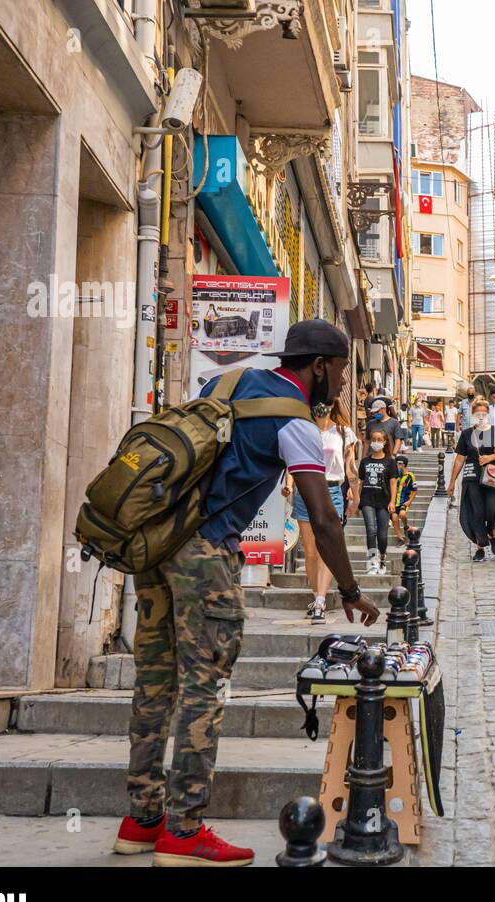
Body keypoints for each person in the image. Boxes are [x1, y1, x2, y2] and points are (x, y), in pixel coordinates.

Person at [117, 319, 378, 868]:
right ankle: (184, 831)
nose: (341, 383)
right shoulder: (296, 421)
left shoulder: (227, 384)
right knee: (203, 688)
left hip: (161, 544)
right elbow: (325, 520)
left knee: (155, 682)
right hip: (207, 552)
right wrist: (349, 590)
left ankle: (141, 821)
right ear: (319, 367)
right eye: (341, 371)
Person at [284, 398, 359, 623]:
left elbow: (351, 466)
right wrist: (288, 484)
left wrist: (355, 494)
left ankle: (320, 601)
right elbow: (293, 462)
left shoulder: (344, 433)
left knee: (326, 548)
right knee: (310, 552)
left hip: (332, 491)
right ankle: (316, 594)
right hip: (306, 491)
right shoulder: (302, 431)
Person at [447, 398, 495, 561]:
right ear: (473, 414)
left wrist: (492, 456)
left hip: (492, 477)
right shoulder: (467, 434)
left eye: (484, 413)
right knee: (477, 512)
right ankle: (480, 547)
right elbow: (460, 458)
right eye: (477, 413)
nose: (481, 416)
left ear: (488, 414)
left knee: (494, 510)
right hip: (471, 477)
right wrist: (452, 481)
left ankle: (492, 532)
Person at [358, 427, 399, 574]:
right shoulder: (364, 462)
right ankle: (372, 561)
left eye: (379, 440)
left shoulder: (390, 462)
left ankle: (382, 557)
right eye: (373, 440)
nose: (376, 442)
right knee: (371, 530)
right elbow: (361, 482)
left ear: (385, 442)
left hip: (384, 500)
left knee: (382, 534)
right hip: (367, 499)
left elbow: (393, 483)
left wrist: (393, 501)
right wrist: (357, 501)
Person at [390, 454, 417, 544]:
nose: (397, 466)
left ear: (404, 464)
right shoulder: (395, 476)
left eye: (398, 464)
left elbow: (415, 490)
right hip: (394, 502)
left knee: (402, 514)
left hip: (404, 501)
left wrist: (409, 501)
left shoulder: (410, 476)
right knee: (394, 518)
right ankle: (400, 538)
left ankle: (405, 526)